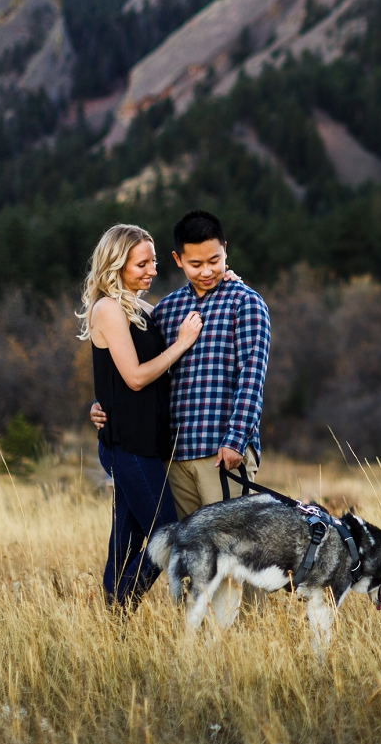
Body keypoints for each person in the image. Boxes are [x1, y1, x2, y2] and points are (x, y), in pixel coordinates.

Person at [92, 210, 271, 518]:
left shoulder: (245, 303)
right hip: (172, 454)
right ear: (178, 259)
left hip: (220, 452)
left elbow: (251, 378)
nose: (206, 272)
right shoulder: (165, 310)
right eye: (196, 264)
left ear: (225, 250)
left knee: (230, 549)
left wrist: (236, 440)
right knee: (182, 552)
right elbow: (139, 367)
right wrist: (101, 403)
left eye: (214, 261)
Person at [80, 224, 203, 608]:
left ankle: (113, 627)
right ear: (116, 265)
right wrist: (181, 345)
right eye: (141, 263)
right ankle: (122, 605)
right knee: (170, 536)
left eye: (152, 262)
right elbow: (133, 377)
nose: (151, 270)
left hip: (147, 443)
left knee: (127, 541)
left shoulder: (141, 308)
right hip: (127, 445)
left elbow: (189, 301)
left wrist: (225, 277)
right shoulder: (108, 309)